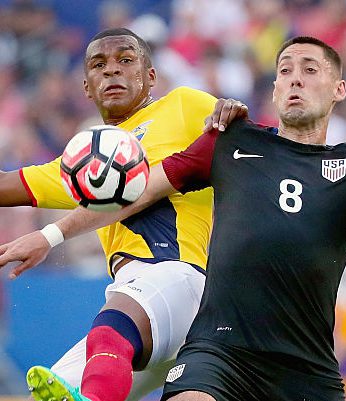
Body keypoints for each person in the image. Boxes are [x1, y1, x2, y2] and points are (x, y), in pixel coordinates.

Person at [1, 35, 346, 401]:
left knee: (101, 351)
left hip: (267, 338)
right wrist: (51, 234)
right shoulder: (208, 145)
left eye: (309, 70)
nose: (294, 79)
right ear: (273, 89)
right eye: (284, 71)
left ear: (339, 89)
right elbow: (132, 192)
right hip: (213, 346)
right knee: (61, 385)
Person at [0, 28, 248, 401]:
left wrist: (232, 115)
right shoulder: (82, 162)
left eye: (126, 60)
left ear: (150, 76)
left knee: (108, 331)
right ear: (86, 86)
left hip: (180, 278)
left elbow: (252, 144)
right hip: (146, 312)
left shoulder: (183, 105)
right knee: (53, 393)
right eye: (99, 65)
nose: (112, 71)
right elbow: (7, 185)